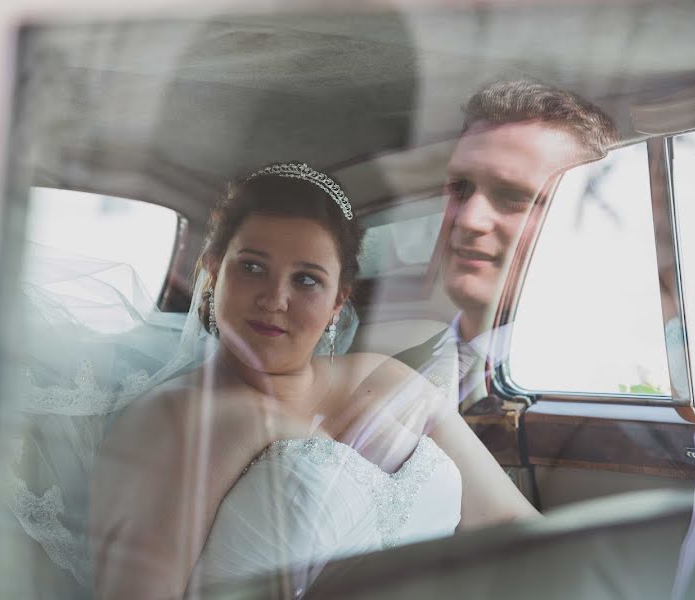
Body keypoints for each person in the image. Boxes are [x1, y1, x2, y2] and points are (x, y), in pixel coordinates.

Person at [89, 162, 537, 599]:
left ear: (339, 299)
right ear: (213, 271)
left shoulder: (386, 378)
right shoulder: (178, 420)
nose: (274, 299)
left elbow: (513, 527)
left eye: (306, 279)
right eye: (251, 267)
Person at [393, 80, 621, 410]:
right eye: (460, 188)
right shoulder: (395, 371)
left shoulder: (604, 385)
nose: (469, 219)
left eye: (515, 197)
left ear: (586, 218)